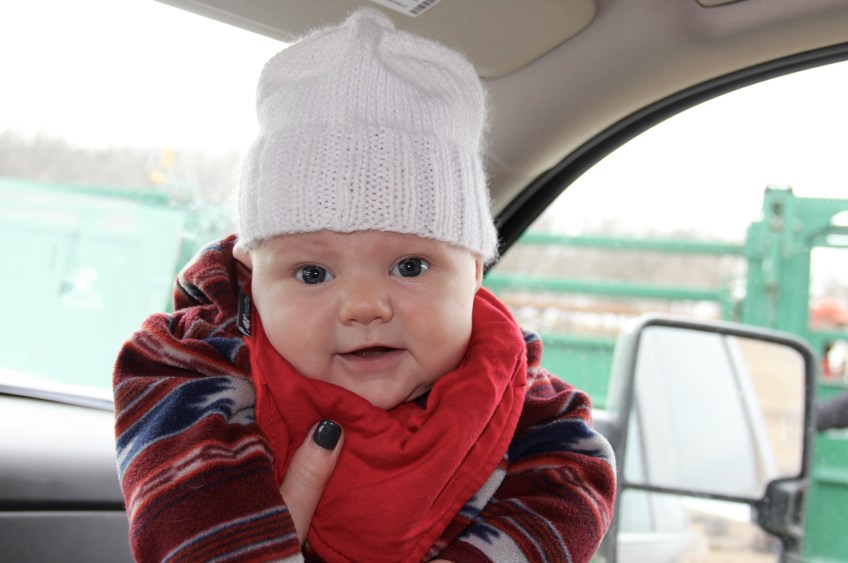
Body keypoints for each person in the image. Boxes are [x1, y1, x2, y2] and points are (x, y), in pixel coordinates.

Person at [113, 8, 616, 562]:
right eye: (312, 274)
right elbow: (191, 516)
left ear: (475, 271)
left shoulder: (528, 408)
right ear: (253, 277)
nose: (365, 306)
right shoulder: (192, 366)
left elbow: (575, 484)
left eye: (411, 267)